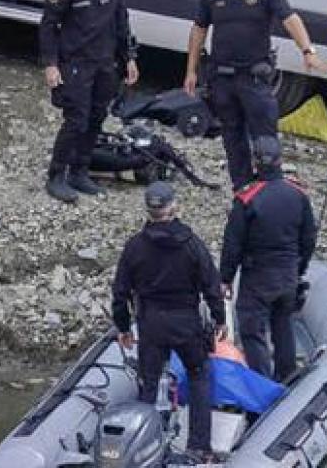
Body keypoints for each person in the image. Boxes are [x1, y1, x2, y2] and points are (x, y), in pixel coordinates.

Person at [185, 0, 326, 187]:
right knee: (232, 134)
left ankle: (270, 186)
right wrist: (191, 70)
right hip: (223, 77)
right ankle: (241, 187)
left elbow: (290, 19)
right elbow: (199, 30)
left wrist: (307, 50)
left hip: (254, 77)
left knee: (265, 136)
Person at [111, 181, 225, 464]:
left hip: (150, 323)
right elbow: (211, 284)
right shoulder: (191, 244)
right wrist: (219, 317)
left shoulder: (134, 247)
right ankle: (199, 446)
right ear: (173, 206)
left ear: (149, 210)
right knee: (199, 376)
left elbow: (120, 291)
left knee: (148, 384)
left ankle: (141, 447)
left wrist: (123, 327)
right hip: (186, 322)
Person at [40, 0, 139, 204]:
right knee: (76, 120)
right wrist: (51, 64)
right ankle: (56, 175)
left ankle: (79, 171)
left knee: (96, 117)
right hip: (75, 64)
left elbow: (122, 23)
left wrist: (129, 57)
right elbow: (49, 25)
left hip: (106, 63)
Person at [220, 136, 317, 380]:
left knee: (253, 332)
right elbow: (309, 239)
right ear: (281, 161)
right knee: (283, 325)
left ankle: (261, 382)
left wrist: (226, 278)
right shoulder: (298, 195)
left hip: (257, 276)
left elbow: (233, 244)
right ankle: (287, 375)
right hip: (287, 274)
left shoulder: (247, 199)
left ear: (255, 163)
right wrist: (300, 267)